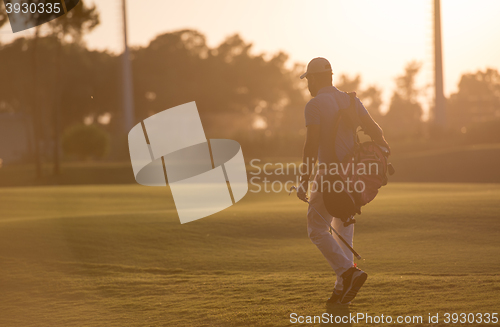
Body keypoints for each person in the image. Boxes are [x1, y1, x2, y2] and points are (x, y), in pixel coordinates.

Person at [296, 57, 390, 304]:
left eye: (308, 80)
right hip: (354, 177)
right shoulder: (351, 100)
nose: (308, 85)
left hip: (329, 176)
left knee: (316, 229)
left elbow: (310, 146)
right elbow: (375, 131)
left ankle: (348, 273)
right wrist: (384, 154)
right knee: (342, 230)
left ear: (314, 78)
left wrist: (303, 180)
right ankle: (341, 291)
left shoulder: (314, 105)